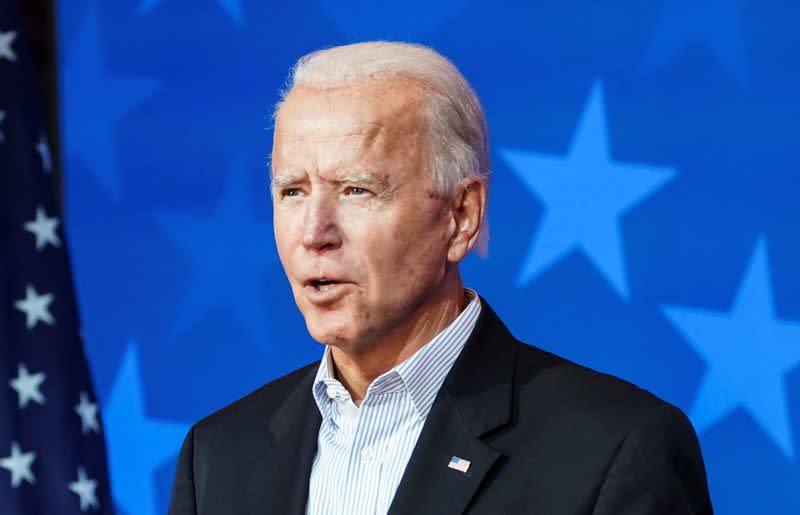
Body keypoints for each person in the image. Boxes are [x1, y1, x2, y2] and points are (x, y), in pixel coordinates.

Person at [168, 41, 713, 514]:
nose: (314, 232)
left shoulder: (614, 449)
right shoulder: (217, 456)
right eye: (293, 191)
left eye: (356, 190)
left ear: (461, 217)